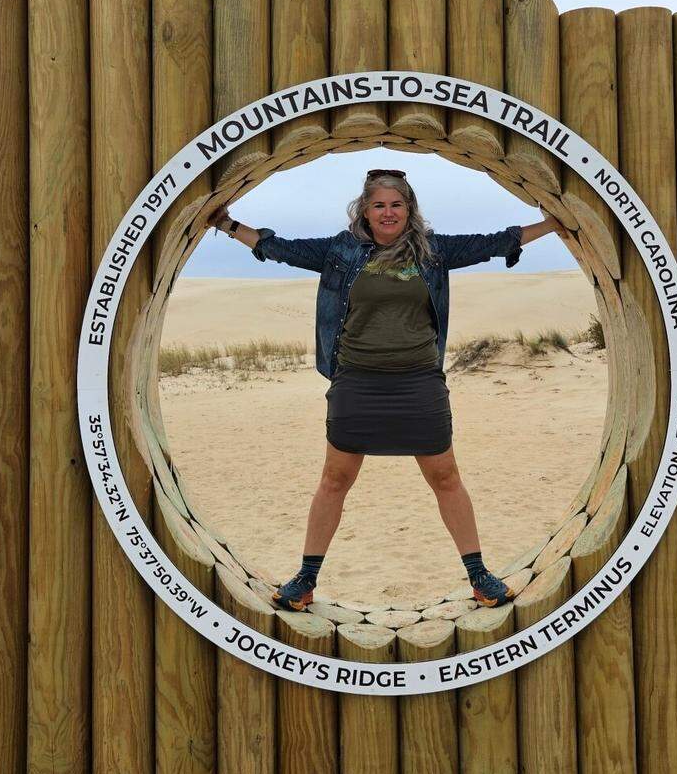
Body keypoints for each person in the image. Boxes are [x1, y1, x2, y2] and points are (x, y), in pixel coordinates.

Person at [206, 169, 562, 611]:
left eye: (397, 204)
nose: (388, 212)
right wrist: (226, 224)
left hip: (419, 382)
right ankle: (306, 579)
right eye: (379, 205)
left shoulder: (434, 251)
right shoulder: (341, 251)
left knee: (446, 477)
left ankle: (479, 576)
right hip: (357, 381)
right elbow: (280, 248)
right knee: (335, 479)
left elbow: (497, 241)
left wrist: (553, 224)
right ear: (365, 211)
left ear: (409, 209)